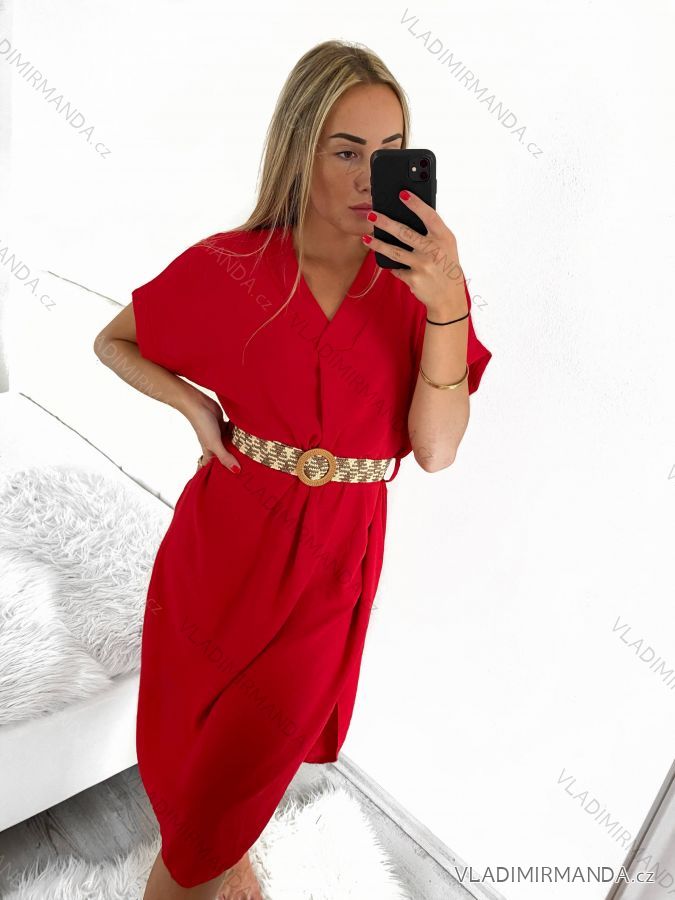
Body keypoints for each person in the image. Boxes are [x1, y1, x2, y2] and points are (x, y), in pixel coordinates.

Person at [93, 38, 492, 900]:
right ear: (298, 148)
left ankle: (207, 860)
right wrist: (195, 407)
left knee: (236, 777)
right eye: (345, 152)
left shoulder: (424, 292)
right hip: (219, 544)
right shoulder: (232, 266)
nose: (368, 179)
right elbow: (114, 341)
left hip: (329, 566)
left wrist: (446, 307)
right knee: (185, 752)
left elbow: (435, 449)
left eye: (388, 155)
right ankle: (221, 858)